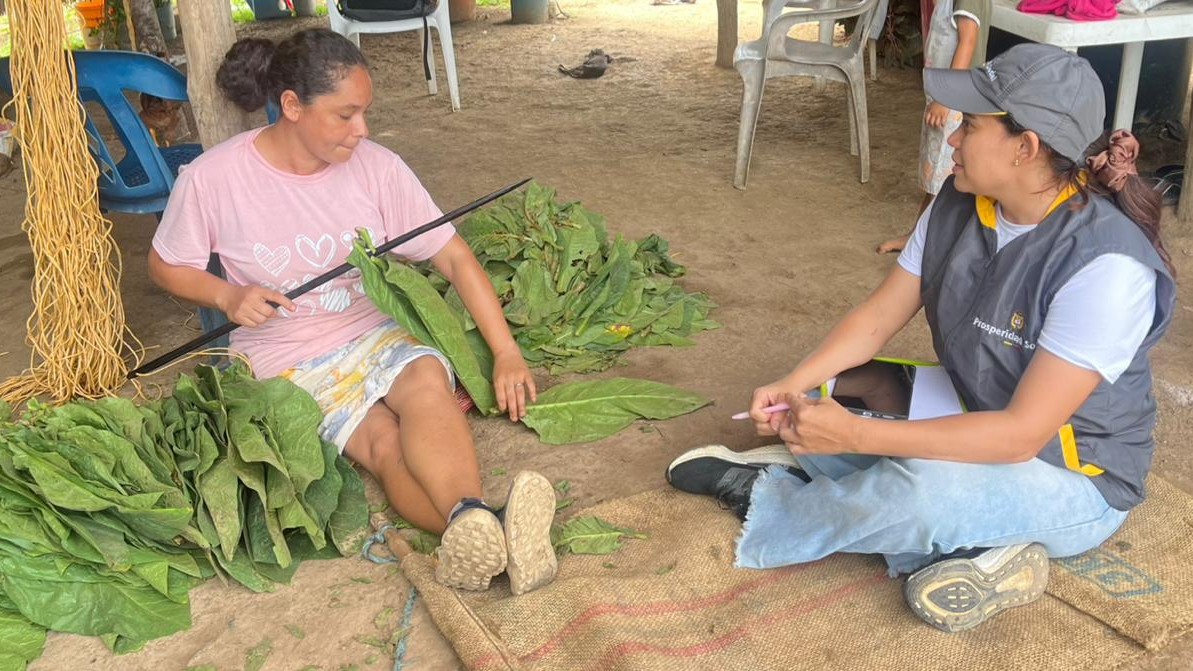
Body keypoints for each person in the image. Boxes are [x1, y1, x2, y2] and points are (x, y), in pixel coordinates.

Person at [666, 43, 1176, 633]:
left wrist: (854, 435)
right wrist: (794, 383)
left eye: (972, 125)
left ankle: (772, 496)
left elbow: (1018, 437)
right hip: (976, 405)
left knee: (922, 493)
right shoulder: (959, 203)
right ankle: (981, 552)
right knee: (838, 389)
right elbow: (878, 318)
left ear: (1026, 147)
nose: (952, 138)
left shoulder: (1106, 265)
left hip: (1071, 475)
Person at [149, 29, 558, 596]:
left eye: (364, 113)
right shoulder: (213, 179)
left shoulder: (377, 168)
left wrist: (507, 351)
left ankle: (472, 518)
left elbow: (454, 257)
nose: (361, 130)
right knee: (382, 442)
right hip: (284, 356)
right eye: (345, 115)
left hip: (372, 330)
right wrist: (226, 297)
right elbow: (167, 266)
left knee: (424, 386)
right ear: (292, 106)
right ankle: (490, 532)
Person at [875, 0, 989, 254]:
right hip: (945, 101)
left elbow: (967, 42)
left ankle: (925, 243)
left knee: (943, 179)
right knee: (934, 179)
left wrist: (946, 98)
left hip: (953, 104)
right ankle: (917, 237)